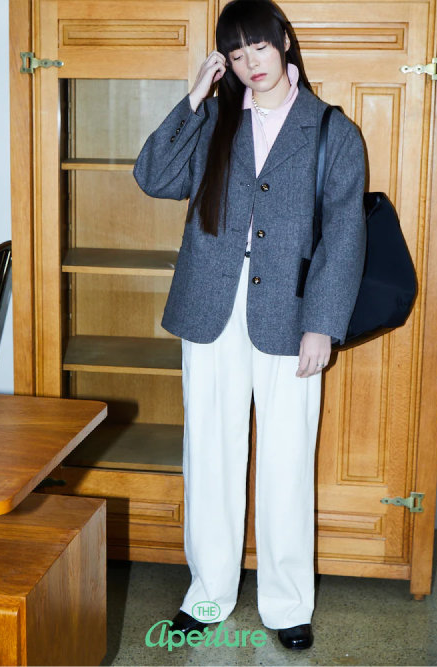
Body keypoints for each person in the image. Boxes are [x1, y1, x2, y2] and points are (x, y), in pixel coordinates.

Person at [132, 0, 366, 651]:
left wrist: (322, 325)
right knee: (210, 452)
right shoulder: (214, 120)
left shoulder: (331, 132)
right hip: (209, 307)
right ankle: (207, 594)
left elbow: (345, 239)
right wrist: (194, 98)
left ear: (284, 42)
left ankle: (288, 603)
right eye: (235, 55)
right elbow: (153, 177)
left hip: (290, 315)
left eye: (257, 48)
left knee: (289, 458)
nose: (249, 64)